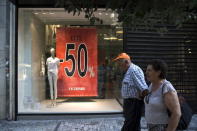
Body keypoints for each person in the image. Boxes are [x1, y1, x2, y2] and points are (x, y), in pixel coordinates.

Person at [113, 53, 148, 131]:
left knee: (129, 125)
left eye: (119, 63)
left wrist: (141, 99)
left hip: (134, 103)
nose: (118, 66)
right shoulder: (129, 70)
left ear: (126, 62)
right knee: (133, 126)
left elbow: (144, 88)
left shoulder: (134, 70)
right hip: (130, 103)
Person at [145, 59, 181, 131]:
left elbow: (177, 113)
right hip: (150, 126)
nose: (146, 72)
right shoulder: (151, 85)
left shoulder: (166, 87)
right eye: (146, 70)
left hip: (161, 127)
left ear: (158, 72)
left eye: (149, 70)